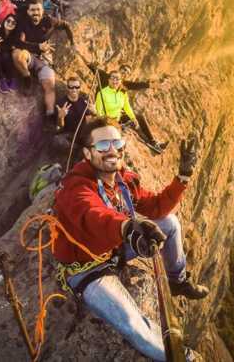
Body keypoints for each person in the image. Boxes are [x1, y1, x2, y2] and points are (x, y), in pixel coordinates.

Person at [52, 117, 208, 362]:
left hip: (115, 248)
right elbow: (93, 214)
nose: (112, 150)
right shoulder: (76, 188)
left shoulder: (124, 181)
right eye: (102, 146)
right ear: (87, 153)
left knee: (170, 223)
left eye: (117, 142)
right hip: (87, 267)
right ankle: (184, 358)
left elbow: (156, 207)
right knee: (133, 325)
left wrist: (183, 177)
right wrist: (127, 227)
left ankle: (177, 281)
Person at [13, 0, 75, 129]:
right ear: (28, 11)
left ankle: (49, 115)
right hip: (29, 55)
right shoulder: (23, 22)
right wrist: (38, 47)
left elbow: (65, 24)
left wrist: (72, 42)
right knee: (17, 54)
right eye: (33, 10)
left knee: (50, 85)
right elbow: (18, 42)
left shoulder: (48, 20)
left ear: (42, 10)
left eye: (38, 10)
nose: (35, 12)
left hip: (44, 59)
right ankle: (27, 77)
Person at [96, 70, 166, 152]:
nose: (115, 80)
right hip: (106, 118)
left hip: (118, 116)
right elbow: (93, 67)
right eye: (124, 69)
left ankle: (154, 143)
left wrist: (133, 118)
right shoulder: (104, 84)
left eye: (127, 72)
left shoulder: (123, 88)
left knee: (138, 117)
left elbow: (136, 88)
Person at [52, 75, 95, 160]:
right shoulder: (61, 103)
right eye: (71, 87)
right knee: (56, 140)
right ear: (67, 88)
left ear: (79, 88)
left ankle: (81, 152)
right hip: (69, 134)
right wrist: (61, 117)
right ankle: (77, 151)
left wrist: (94, 112)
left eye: (76, 87)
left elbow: (89, 121)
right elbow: (60, 126)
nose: (74, 89)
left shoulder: (84, 101)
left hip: (82, 134)